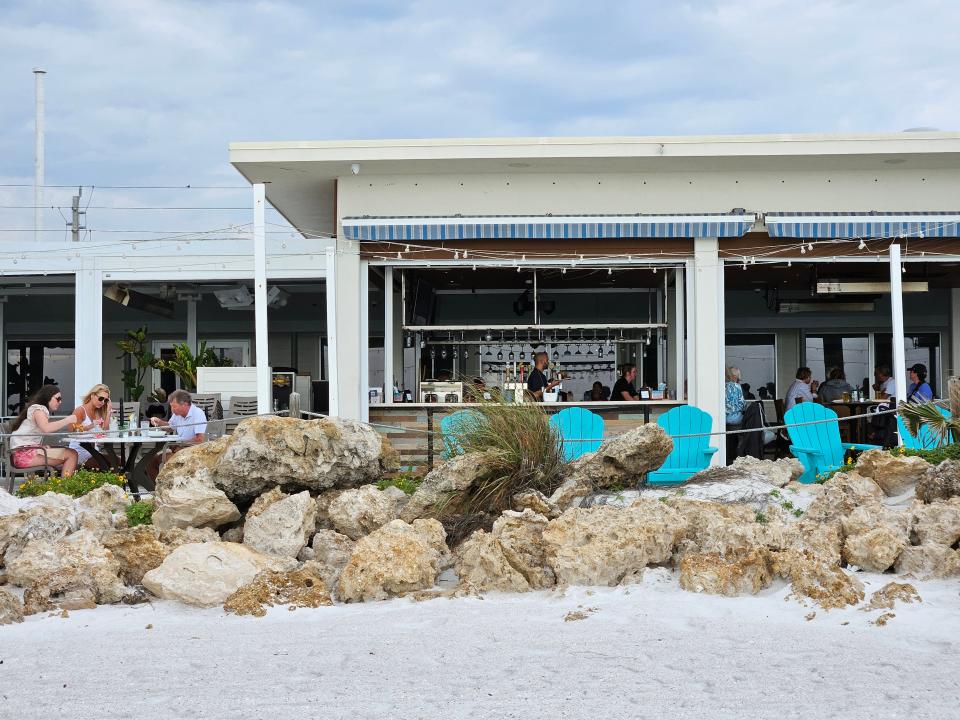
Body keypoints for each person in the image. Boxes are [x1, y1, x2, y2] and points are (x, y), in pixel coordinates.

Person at [9, 384, 80, 477]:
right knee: (72, 454)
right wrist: (68, 420)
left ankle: (61, 486)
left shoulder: (36, 409)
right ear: (48, 397)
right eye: (58, 399)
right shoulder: (39, 410)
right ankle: (64, 488)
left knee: (69, 453)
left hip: (22, 454)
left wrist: (39, 446)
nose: (60, 402)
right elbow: (46, 428)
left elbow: (28, 436)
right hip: (24, 456)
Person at [68, 383, 112, 467]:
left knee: (118, 461)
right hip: (78, 451)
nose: (102, 402)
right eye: (101, 398)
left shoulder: (98, 412)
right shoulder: (80, 410)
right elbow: (71, 431)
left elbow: (105, 432)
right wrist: (90, 426)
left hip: (93, 451)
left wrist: (108, 411)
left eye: (105, 400)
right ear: (92, 395)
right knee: (107, 464)